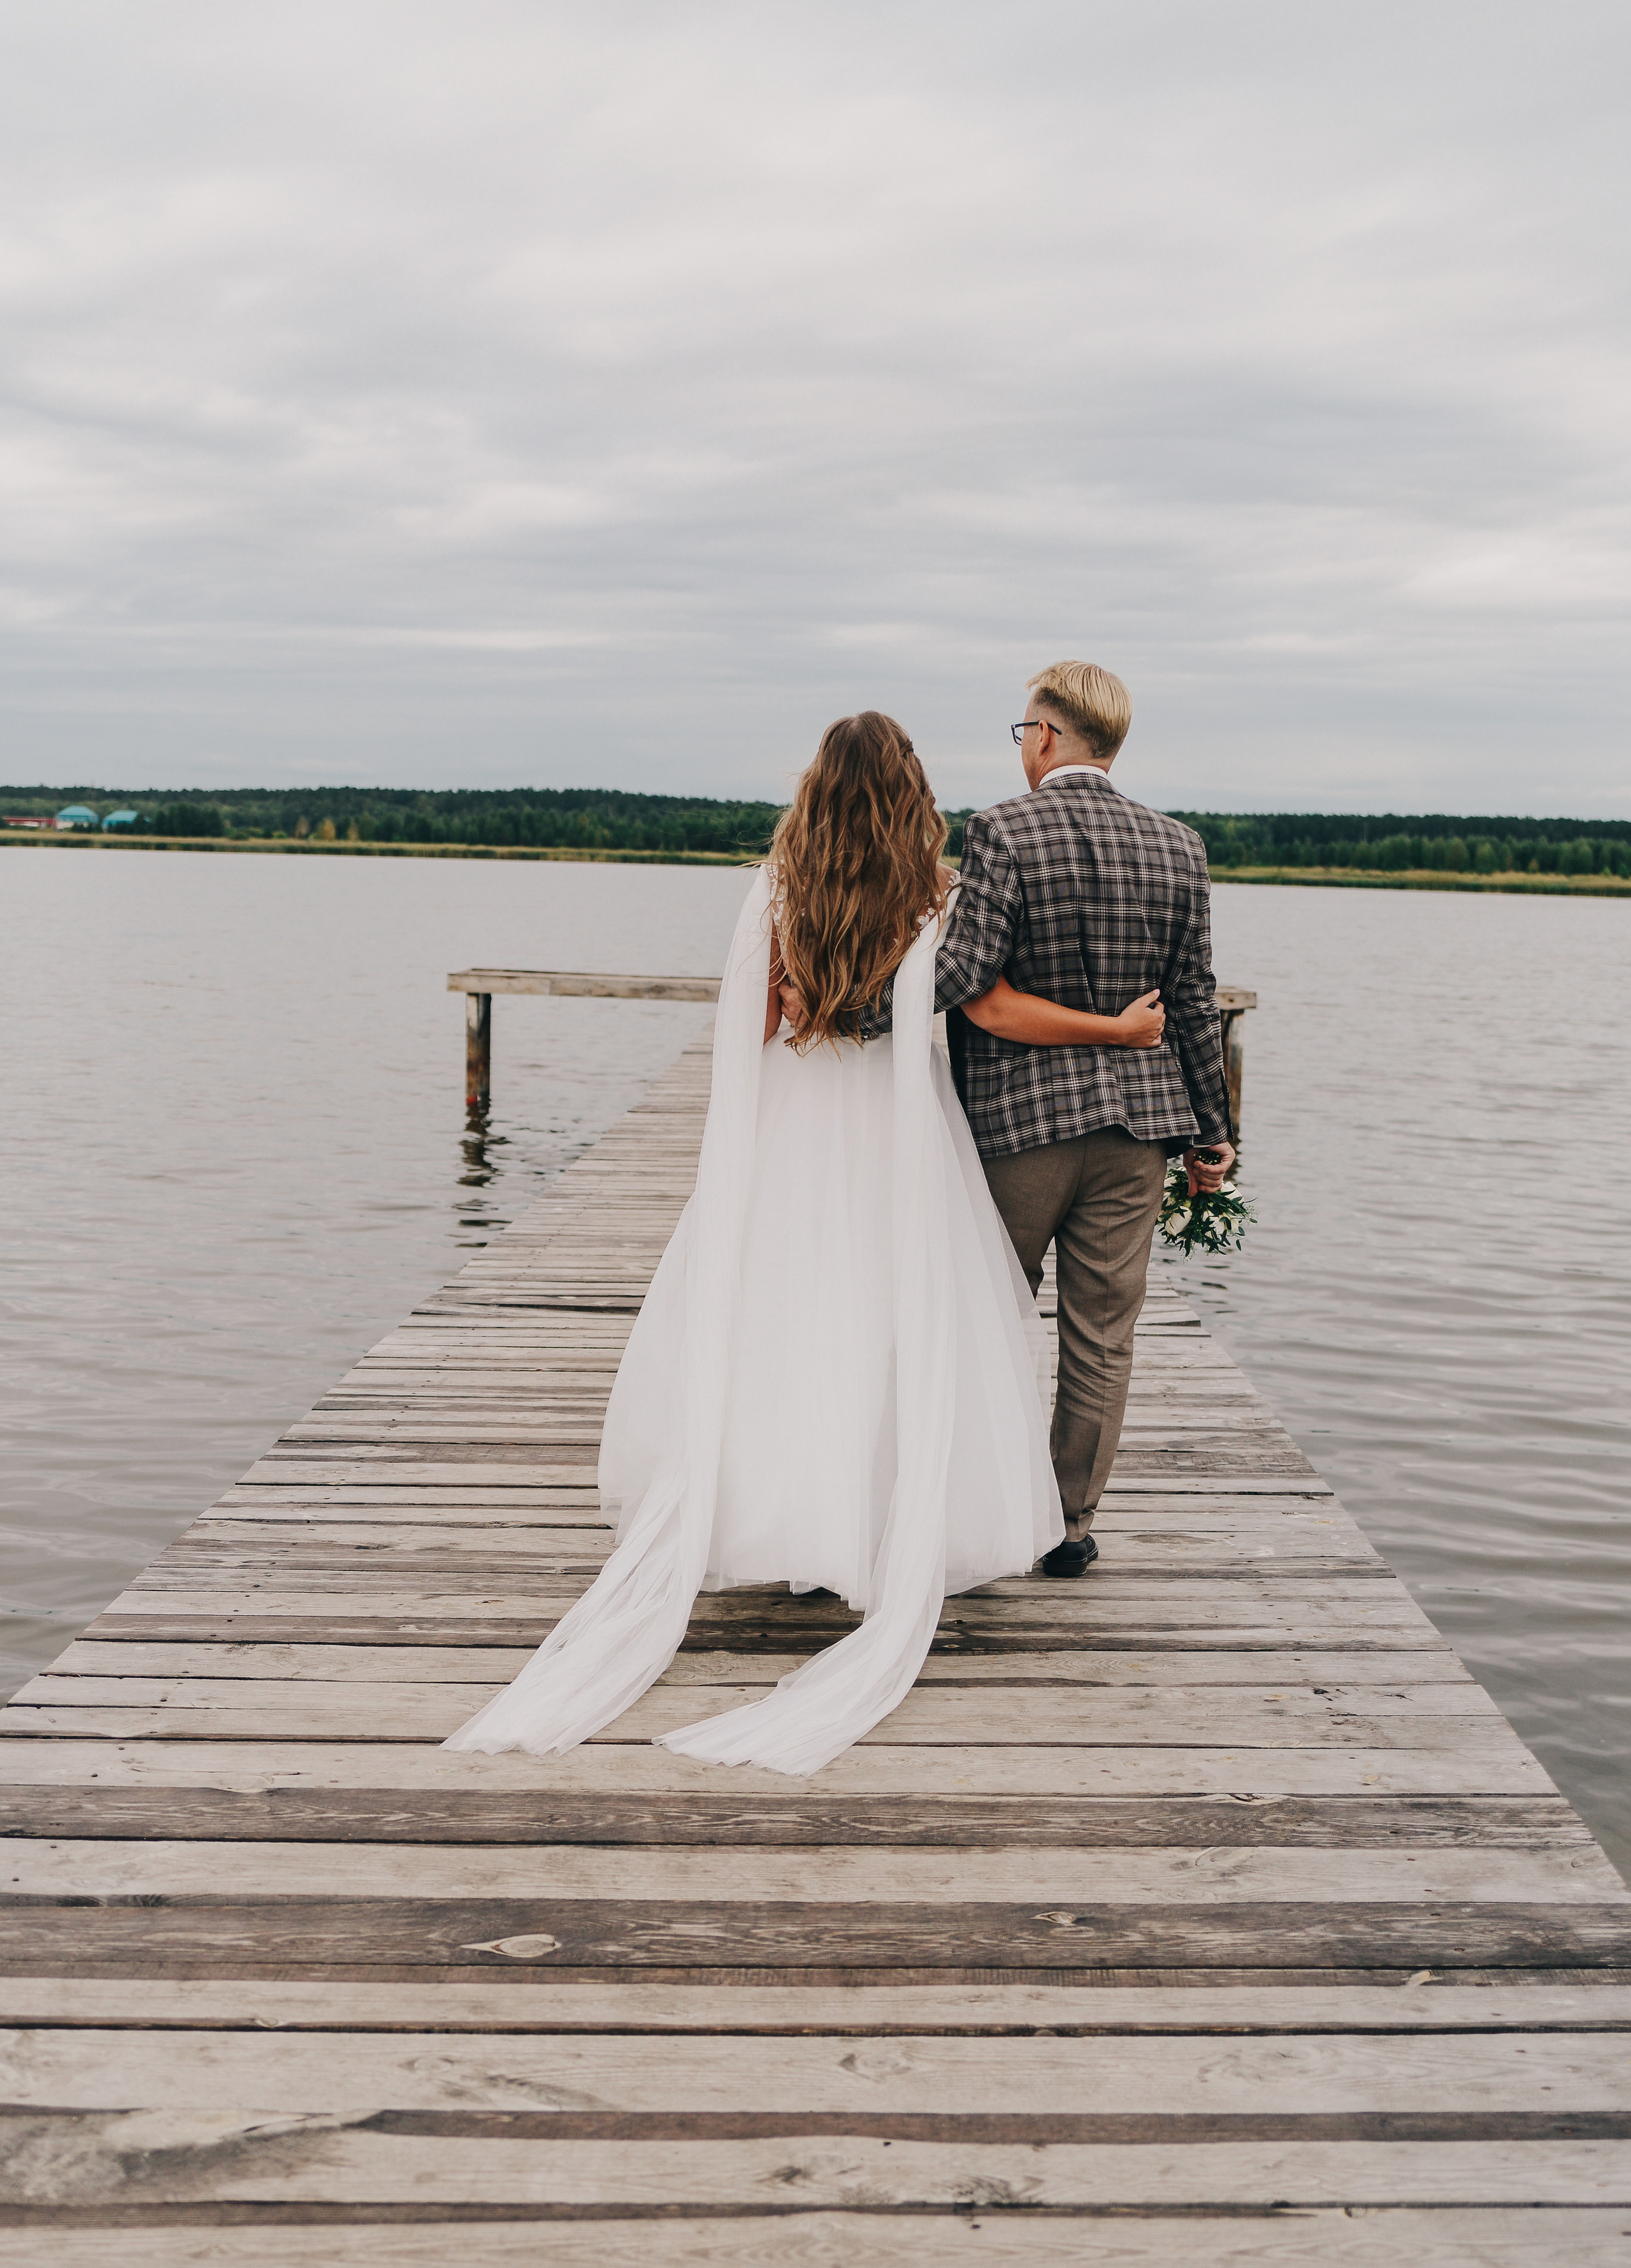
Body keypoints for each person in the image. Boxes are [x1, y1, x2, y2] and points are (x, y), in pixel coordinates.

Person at [443, 710, 1169, 1775]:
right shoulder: (937, 890)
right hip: (895, 1124)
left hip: (791, 1119)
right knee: (886, 1314)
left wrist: (736, 1153)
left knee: (787, 1313)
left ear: (817, 789)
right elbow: (977, 1005)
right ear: (910, 791)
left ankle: (792, 1523)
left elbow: (761, 1028)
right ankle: (868, 1528)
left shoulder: (780, 885)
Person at [791, 663, 1233, 1580]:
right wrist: (1212, 1133)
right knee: (1103, 1336)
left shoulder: (1003, 829)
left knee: (980, 1318)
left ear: (1046, 735)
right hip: (1139, 1133)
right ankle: (1067, 1524)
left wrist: (847, 1018)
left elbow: (964, 973)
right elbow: (1195, 1000)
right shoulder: (1179, 845)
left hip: (1021, 1129)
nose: (1021, 745)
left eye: (1021, 730)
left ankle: (956, 1506)